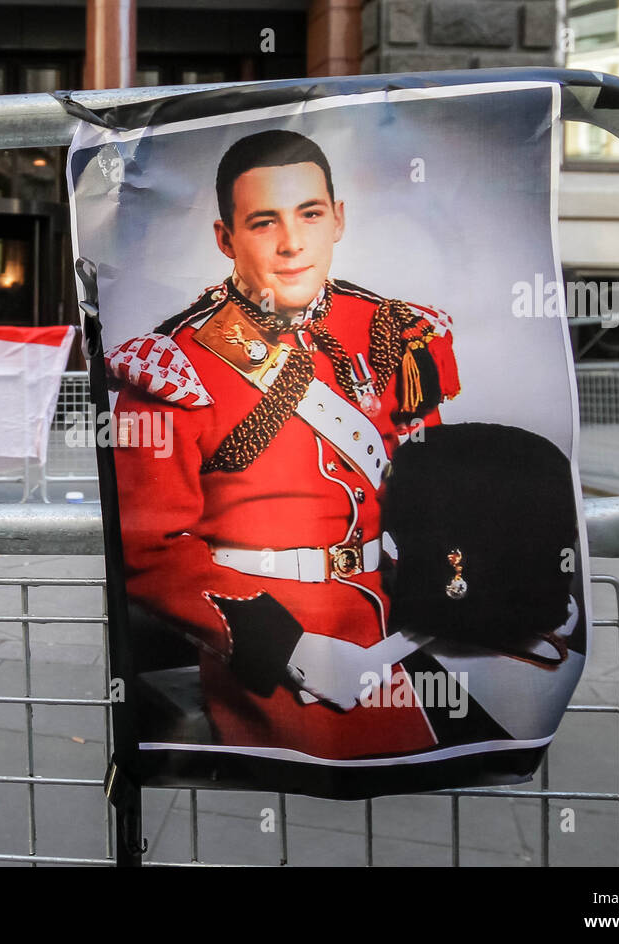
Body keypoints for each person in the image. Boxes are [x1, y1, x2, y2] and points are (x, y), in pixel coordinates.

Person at [105, 129, 463, 762]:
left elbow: (427, 478)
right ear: (226, 238)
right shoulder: (174, 367)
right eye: (264, 222)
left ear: (339, 220)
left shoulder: (391, 331)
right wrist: (291, 648)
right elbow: (149, 552)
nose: (294, 243)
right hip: (270, 645)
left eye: (311, 214)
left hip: (401, 628)